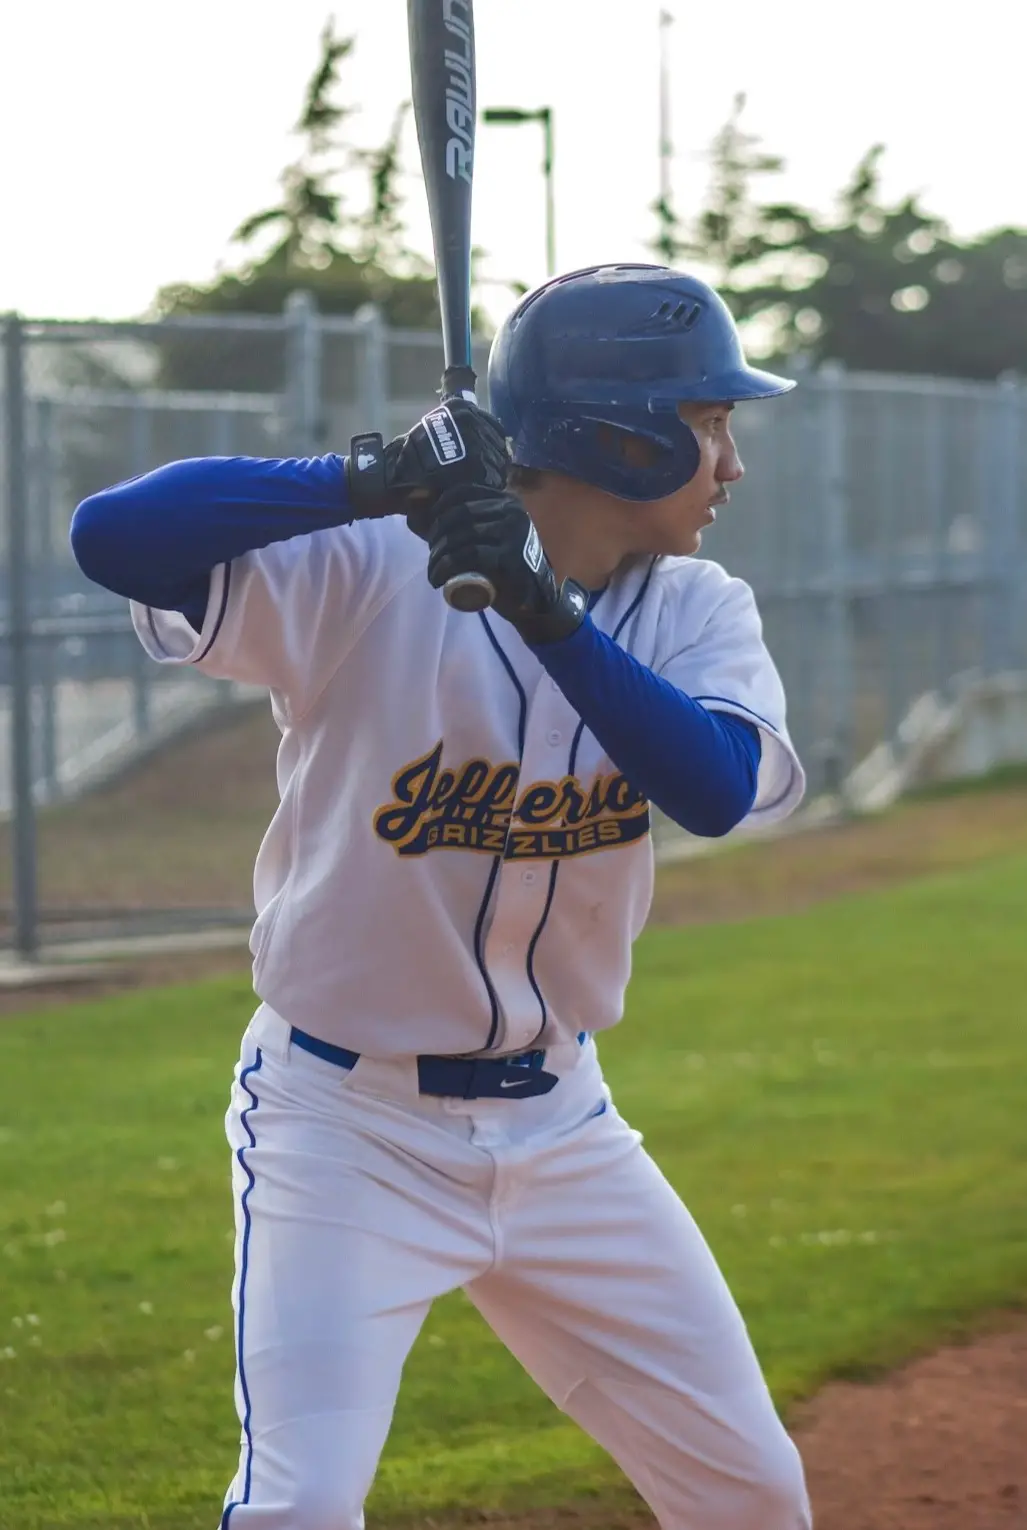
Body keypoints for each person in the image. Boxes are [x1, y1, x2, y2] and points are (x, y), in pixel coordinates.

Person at [70, 263, 811, 1530]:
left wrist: (541, 609)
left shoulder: (694, 607)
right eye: (704, 425)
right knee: (301, 1507)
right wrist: (369, 478)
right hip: (345, 1130)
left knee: (752, 1493)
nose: (729, 464)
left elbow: (713, 785)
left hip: (564, 1127)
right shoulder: (366, 567)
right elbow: (114, 537)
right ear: (615, 440)